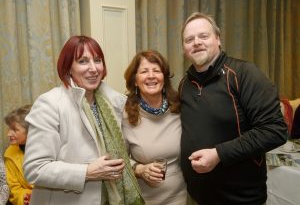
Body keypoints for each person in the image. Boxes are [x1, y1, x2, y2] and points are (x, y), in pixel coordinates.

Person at [179, 12, 288, 205]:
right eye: (189, 39)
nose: (196, 42)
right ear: (184, 48)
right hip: (197, 197)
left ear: (218, 39)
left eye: (203, 36)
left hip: (241, 199)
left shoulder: (245, 74)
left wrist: (219, 154)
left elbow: (275, 130)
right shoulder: (184, 85)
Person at [23, 35, 144, 205]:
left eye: (97, 60)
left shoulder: (110, 104)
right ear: (68, 68)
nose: (94, 68)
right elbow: (35, 168)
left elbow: (114, 155)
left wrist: (138, 167)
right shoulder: (50, 104)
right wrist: (86, 172)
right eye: (83, 61)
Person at [122, 50, 188, 204]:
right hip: (143, 198)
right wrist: (140, 170)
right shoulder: (124, 114)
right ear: (135, 81)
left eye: (156, 71)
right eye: (144, 71)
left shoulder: (180, 108)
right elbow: (119, 158)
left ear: (164, 78)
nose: (151, 76)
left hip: (179, 196)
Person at [3, 105, 33, 205]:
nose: (8, 134)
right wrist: (24, 197)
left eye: (14, 129)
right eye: (9, 128)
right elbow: (14, 188)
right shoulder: (10, 153)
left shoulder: (51, 149)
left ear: (31, 130)